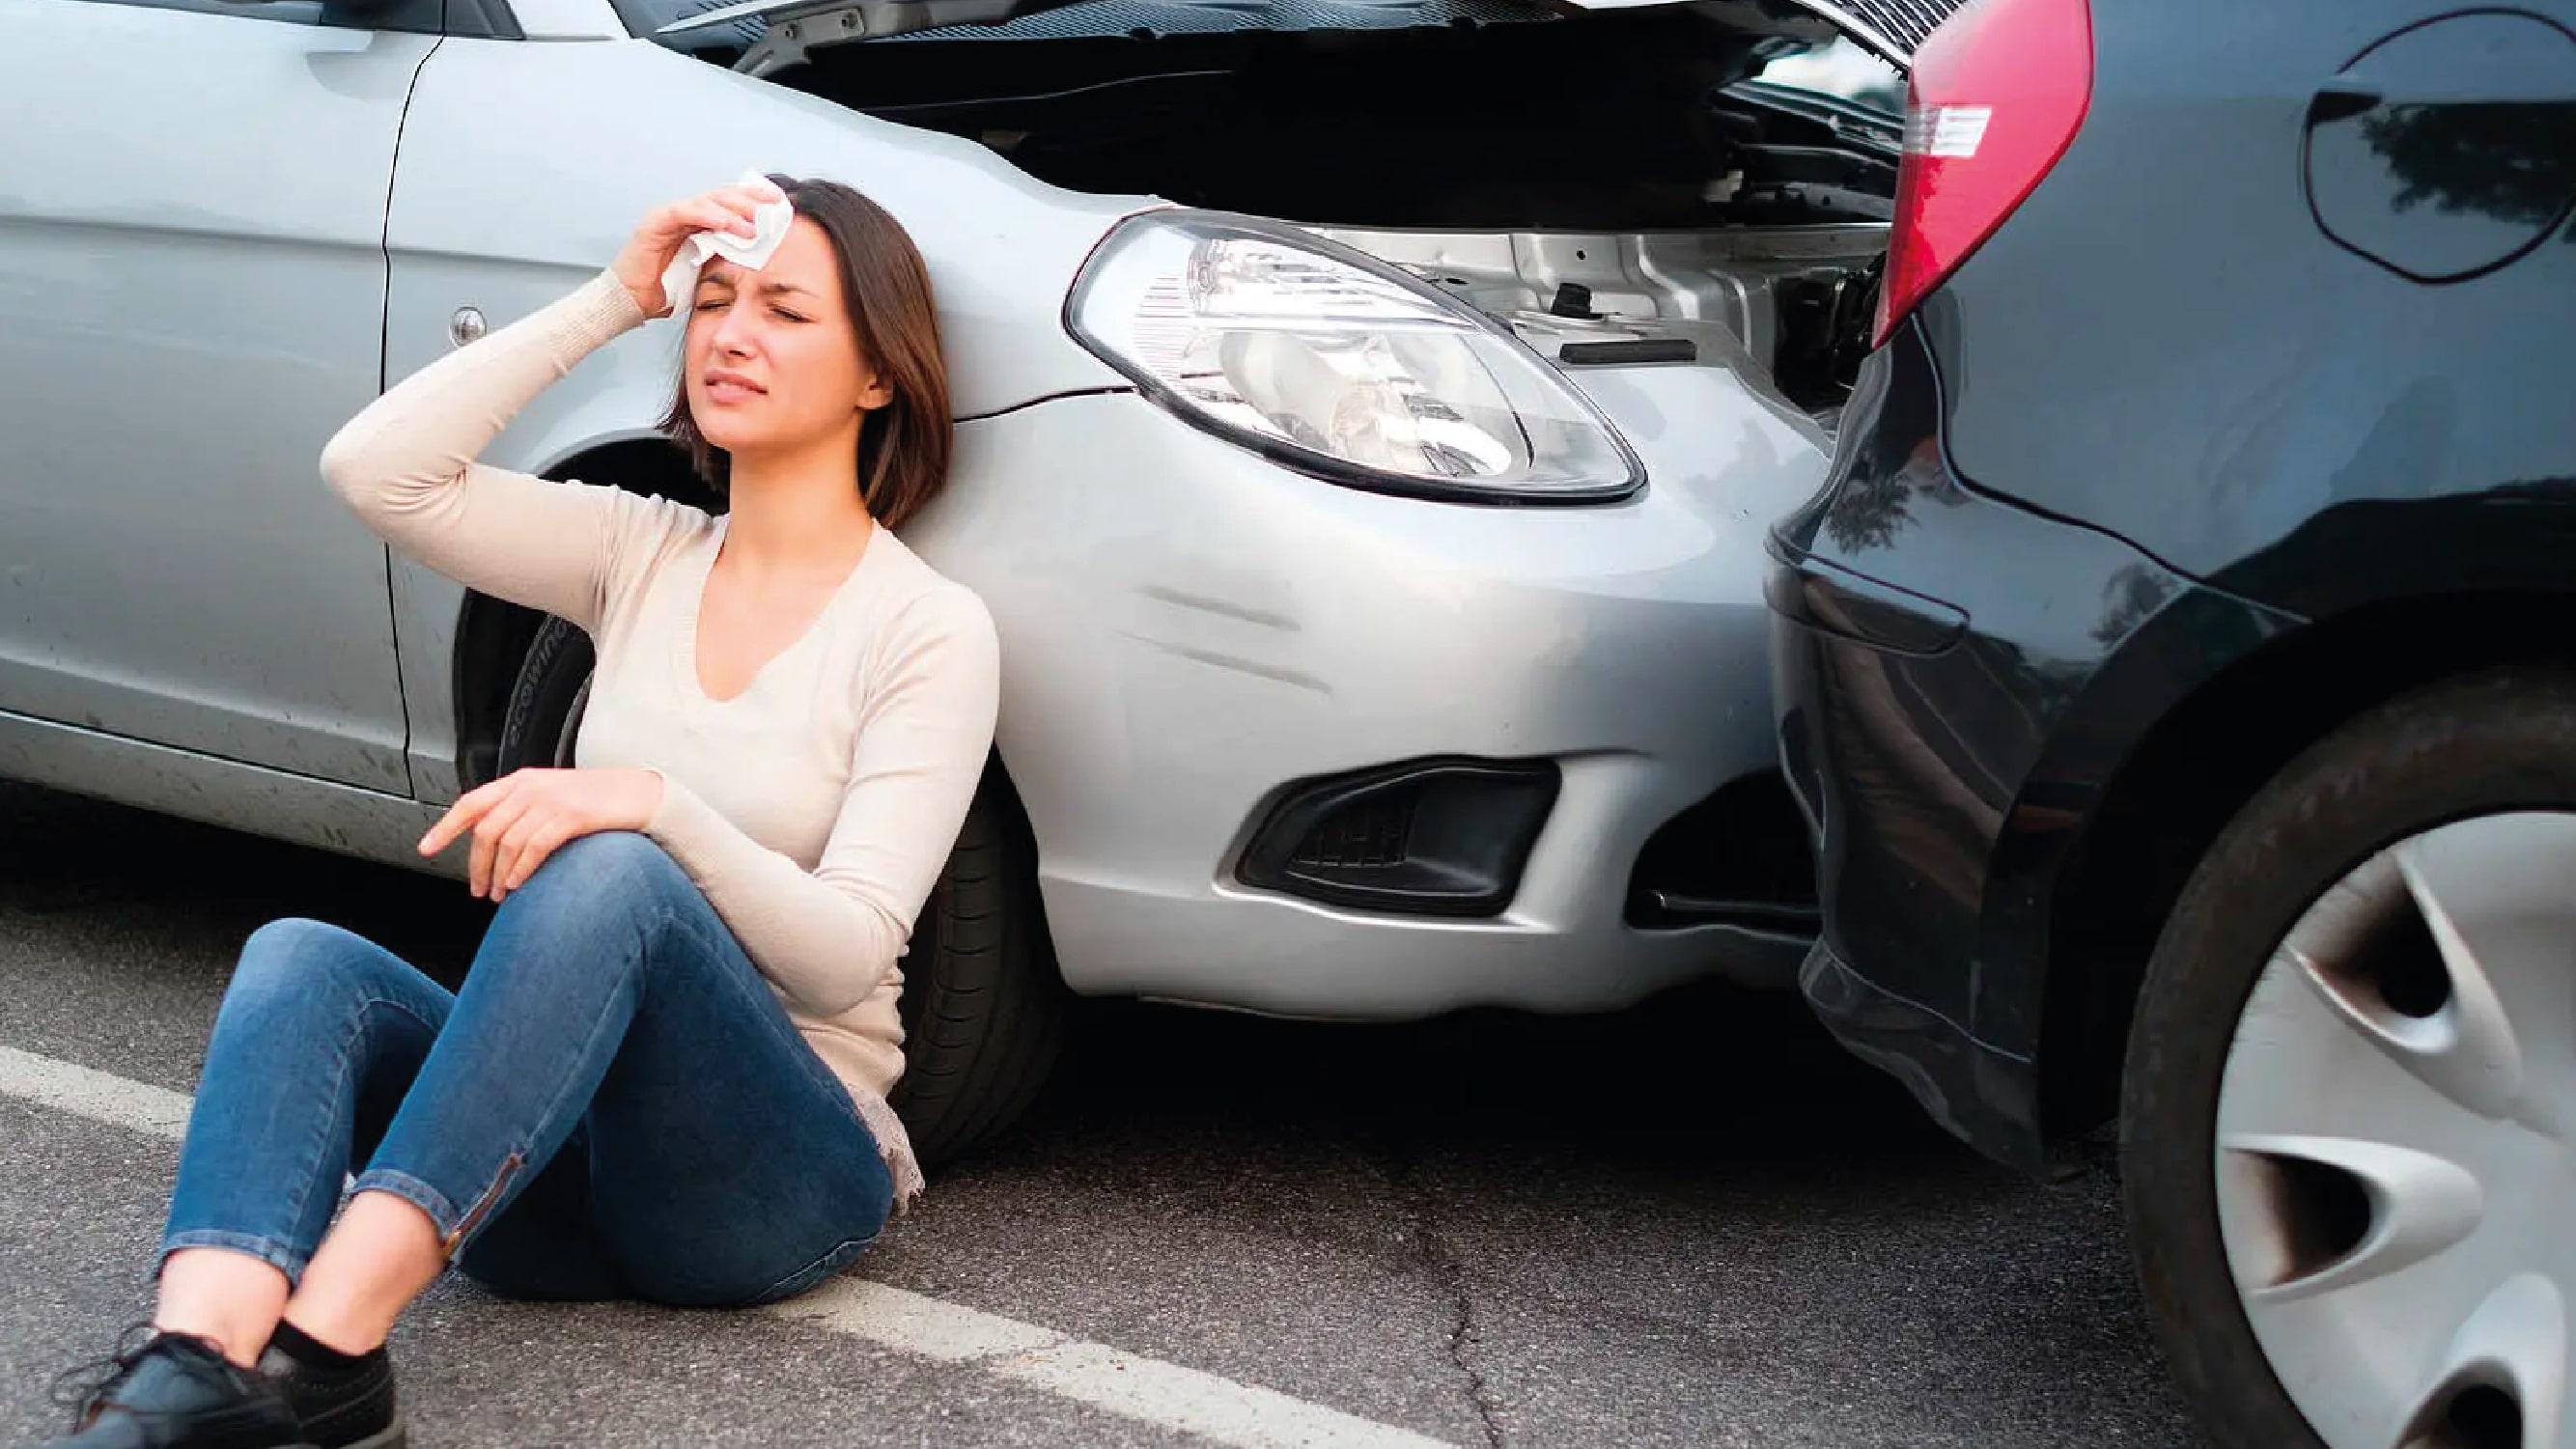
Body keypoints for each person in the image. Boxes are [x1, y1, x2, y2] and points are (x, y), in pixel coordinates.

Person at [40, 176, 1001, 1449]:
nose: (730, 331)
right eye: (713, 301)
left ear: (880, 373)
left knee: (614, 863)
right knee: (301, 959)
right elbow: (377, 472)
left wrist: (655, 807)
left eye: (783, 309)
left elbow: (849, 948)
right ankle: (195, 1362)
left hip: (769, 1179)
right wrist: (616, 295)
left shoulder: (927, 628)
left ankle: (327, 1347)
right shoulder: (639, 550)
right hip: (553, 1170)